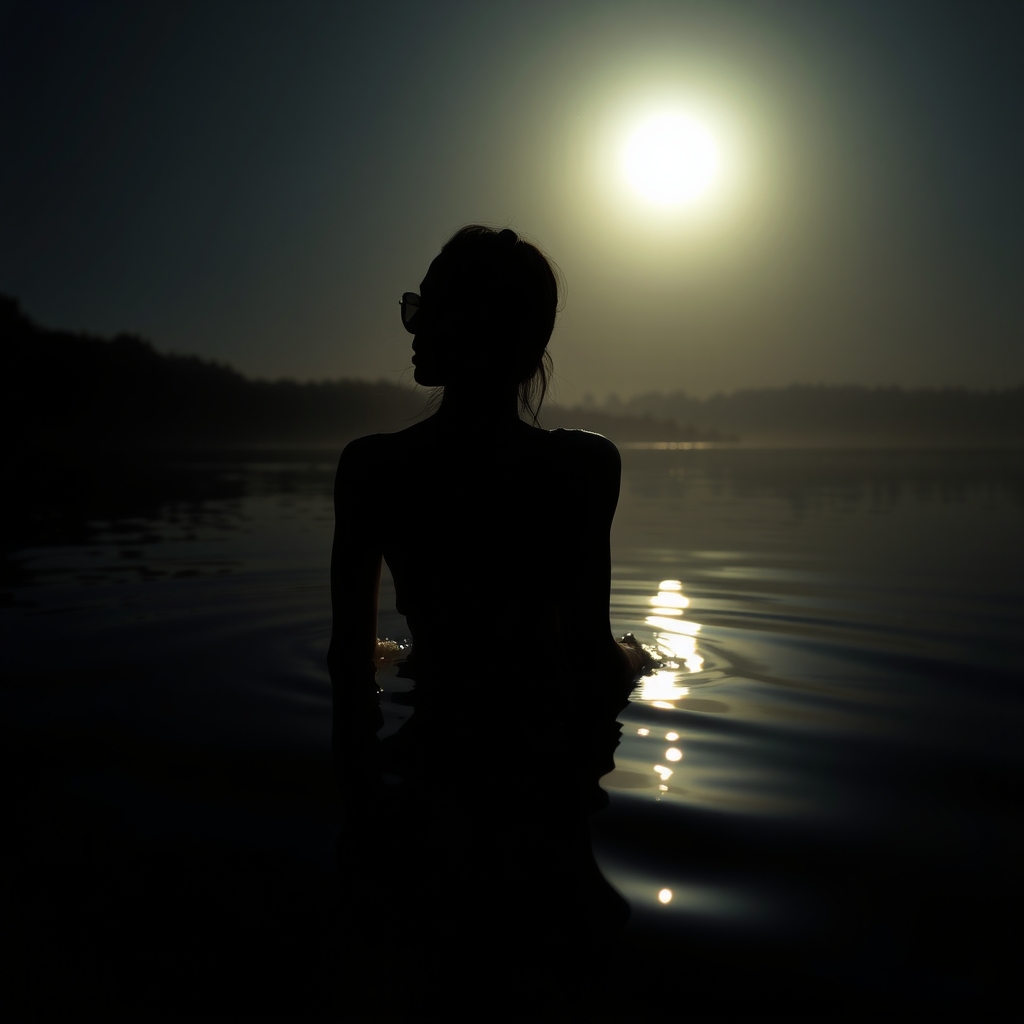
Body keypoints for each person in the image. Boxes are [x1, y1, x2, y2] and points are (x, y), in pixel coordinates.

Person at [328, 225, 649, 1012]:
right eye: (415, 308)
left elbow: (346, 663)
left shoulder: (372, 469)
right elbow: (589, 659)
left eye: (426, 310)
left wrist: (389, 661)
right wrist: (641, 661)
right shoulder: (580, 468)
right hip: (549, 754)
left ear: (476, 329)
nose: (411, 329)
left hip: (432, 739)